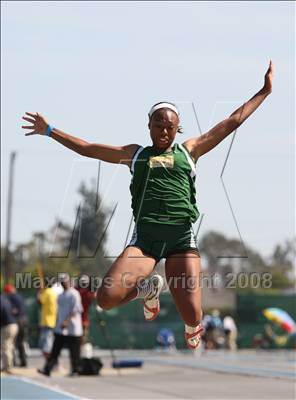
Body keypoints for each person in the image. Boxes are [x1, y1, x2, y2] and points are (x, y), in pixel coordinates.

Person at [21, 61, 273, 349]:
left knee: (192, 314)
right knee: (105, 298)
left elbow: (232, 122)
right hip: (145, 242)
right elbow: (88, 148)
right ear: (149, 125)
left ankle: (192, 325)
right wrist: (50, 130)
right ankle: (148, 289)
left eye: (169, 126)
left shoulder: (190, 150)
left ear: (178, 128)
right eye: (158, 125)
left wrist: (263, 91)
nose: (164, 131)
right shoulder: (135, 155)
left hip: (181, 241)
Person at [37, 274, 83, 377]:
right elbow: (57, 311)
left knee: (74, 351)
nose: (63, 283)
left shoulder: (74, 294)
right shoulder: (60, 295)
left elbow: (76, 309)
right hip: (60, 328)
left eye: (65, 281)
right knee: (55, 350)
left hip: (73, 328)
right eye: (61, 281)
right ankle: (47, 369)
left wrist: (67, 321)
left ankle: (75, 370)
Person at [4, 284, 28, 367]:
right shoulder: (19, 296)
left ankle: (13, 362)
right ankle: (23, 361)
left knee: (13, 342)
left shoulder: (12, 298)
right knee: (20, 342)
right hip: (23, 320)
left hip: (17, 321)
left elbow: (14, 311)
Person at [37, 281, 58, 361]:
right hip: (52, 321)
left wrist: (39, 292)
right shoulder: (53, 293)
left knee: (46, 345)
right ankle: (50, 362)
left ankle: (50, 362)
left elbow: (39, 301)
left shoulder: (47, 292)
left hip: (47, 321)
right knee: (48, 343)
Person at [0, 294, 18, 374]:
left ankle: (8, 368)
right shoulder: (5, 298)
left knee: (5, 347)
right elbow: (15, 311)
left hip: (7, 326)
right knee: (9, 346)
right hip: (14, 325)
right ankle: (9, 366)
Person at [75, 275, 96, 343]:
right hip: (77, 320)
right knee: (80, 339)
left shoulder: (76, 291)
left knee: (80, 339)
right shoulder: (88, 293)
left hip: (82, 320)